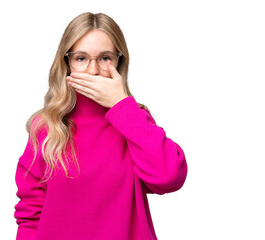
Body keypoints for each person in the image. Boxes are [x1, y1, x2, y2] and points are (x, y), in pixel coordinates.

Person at [14, 12, 187, 240]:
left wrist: (122, 106)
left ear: (119, 62)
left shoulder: (134, 119)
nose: (93, 70)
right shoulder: (47, 126)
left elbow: (169, 177)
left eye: (105, 58)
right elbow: (30, 213)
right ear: (67, 63)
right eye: (81, 58)